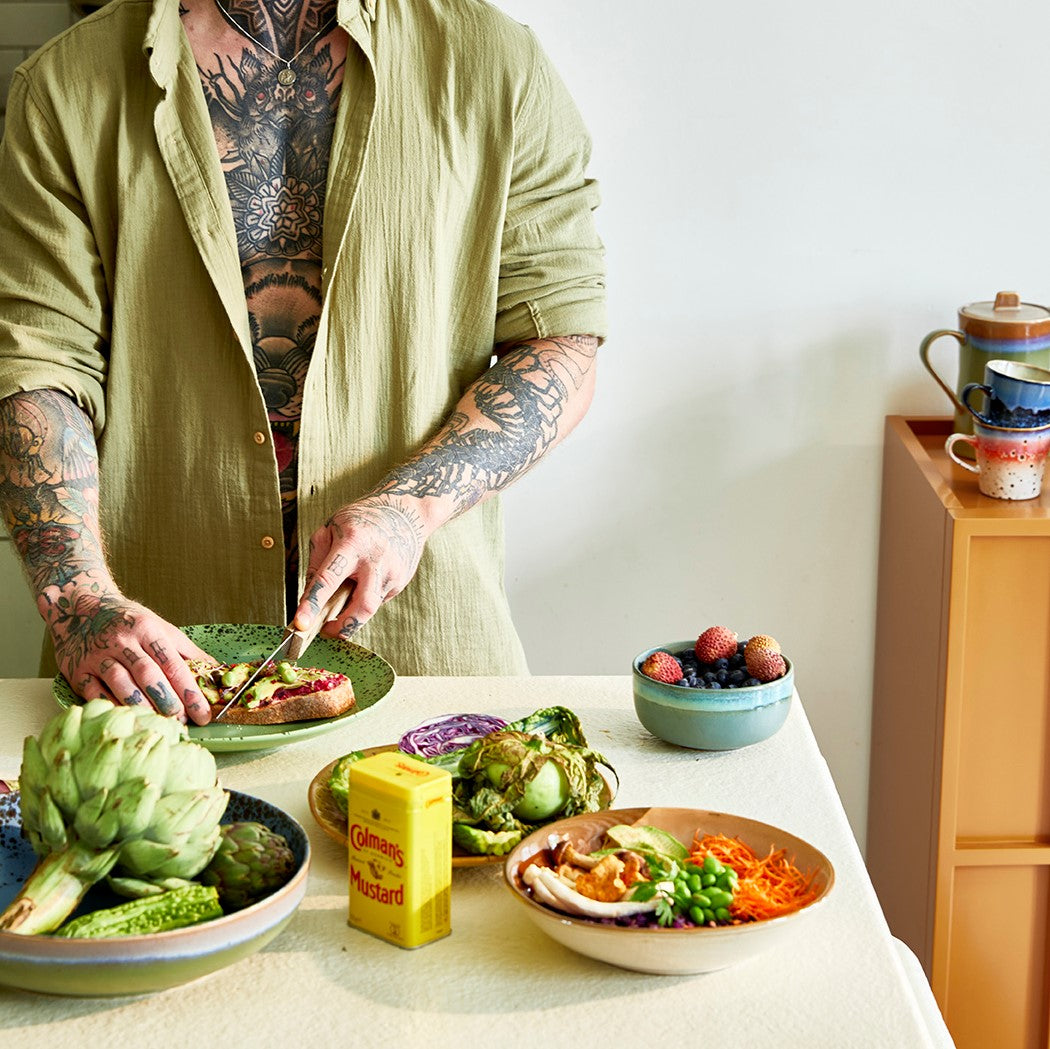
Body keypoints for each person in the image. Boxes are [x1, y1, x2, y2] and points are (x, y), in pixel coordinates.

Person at [0, 0, 605, 725]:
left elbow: (560, 337)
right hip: (148, 690)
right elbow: (36, 363)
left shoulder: (497, 65)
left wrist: (408, 509)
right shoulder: (64, 88)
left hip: (426, 672)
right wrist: (77, 598)